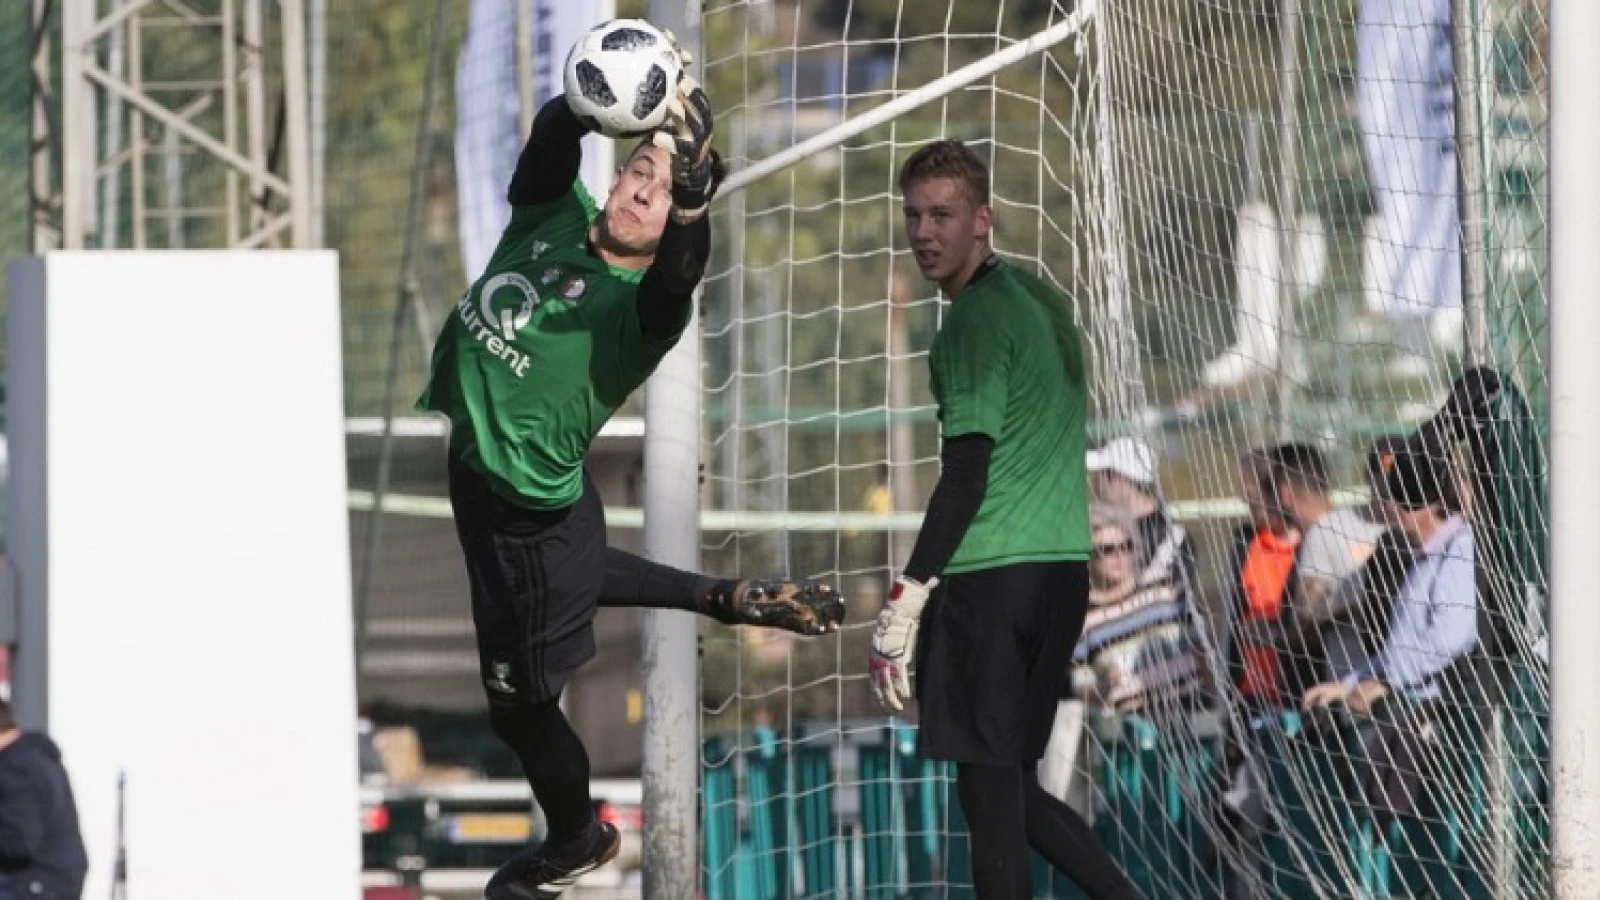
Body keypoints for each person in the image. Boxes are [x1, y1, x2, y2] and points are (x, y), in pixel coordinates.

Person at [416, 65, 844, 899]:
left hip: (524, 518)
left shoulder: (636, 309)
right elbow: (547, 146)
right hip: (505, 498)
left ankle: (574, 840)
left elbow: (680, 275)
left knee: (519, 707)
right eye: (637, 170)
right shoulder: (555, 219)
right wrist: (589, 89)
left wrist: (690, 196)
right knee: (568, 587)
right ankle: (720, 596)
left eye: (662, 187)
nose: (641, 190)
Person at [865, 139, 1139, 900]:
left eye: (943, 215)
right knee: (1015, 793)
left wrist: (908, 595)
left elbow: (965, 473)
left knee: (988, 806)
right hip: (1059, 579)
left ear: (982, 219)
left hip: (992, 583)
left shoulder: (971, 325)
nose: (924, 233)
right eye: (914, 215)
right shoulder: (1043, 300)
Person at [1070, 503, 1205, 714]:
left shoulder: (1167, 591)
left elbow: (1204, 649)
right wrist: (1103, 686)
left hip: (1194, 714)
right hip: (1131, 730)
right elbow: (1077, 685)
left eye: (1127, 545)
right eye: (1107, 549)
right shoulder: (1081, 618)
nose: (1119, 556)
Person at [1087, 436, 1198, 593]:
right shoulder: (1099, 529)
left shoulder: (1173, 538)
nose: (1094, 482)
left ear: (1117, 479)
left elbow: (1167, 596)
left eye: (1099, 474)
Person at [0, 701, 87, 900]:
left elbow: (20, 840)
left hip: (32, 882)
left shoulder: (15, 767)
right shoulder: (37, 756)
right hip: (57, 877)